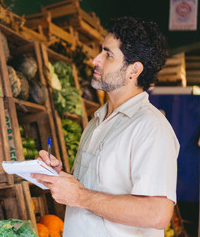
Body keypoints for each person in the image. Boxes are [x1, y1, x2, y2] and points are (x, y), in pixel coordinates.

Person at [32, 16, 180, 237]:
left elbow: (157, 214)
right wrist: (59, 177)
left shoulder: (151, 128)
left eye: (108, 54)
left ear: (134, 70)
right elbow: (93, 189)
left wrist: (79, 195)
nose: (95, 59)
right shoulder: (96, 121)